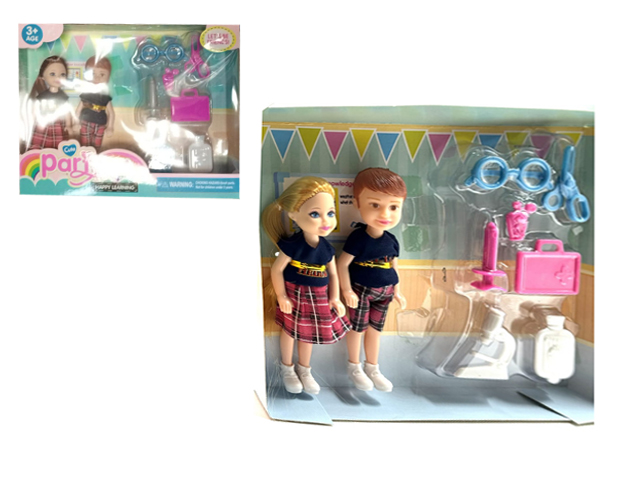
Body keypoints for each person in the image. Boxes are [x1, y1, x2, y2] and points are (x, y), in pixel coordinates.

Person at [262, 177, 349, 395]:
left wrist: (335, 298)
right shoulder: (293, 245)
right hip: (295, 294)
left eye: (330, 213)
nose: (326, 220)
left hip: (319, 296)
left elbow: (333, 273)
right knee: (290, 331)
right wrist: (281, 296)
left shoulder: (327, 249)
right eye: (315, 214)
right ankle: (287, 368)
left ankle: (305, 369)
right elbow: (277, 270)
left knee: (307, 333)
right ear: (293, 214)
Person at [338, 168, 407, 392]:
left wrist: (398, 291)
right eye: (375, 205)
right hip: (361, 291)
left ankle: (373, 367)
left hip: (385, 291)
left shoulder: (392, 239)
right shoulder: (359, 238)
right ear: (357, 203)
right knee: (357, 328)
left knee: (375, 330)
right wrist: (346, 290)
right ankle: (354, 366)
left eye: (394, 207)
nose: (385, 213)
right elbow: (342, 264)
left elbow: (393, 264)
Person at [28, 56, 73, 150]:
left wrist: (68, 125)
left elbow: (67, 111)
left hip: (58, 124)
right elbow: (36, 109)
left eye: (62, 74)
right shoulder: (42, 95)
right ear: (42, 76)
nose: (58, 77)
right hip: (43, 123)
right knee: (39, 145)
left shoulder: (63, 96)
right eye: (52, 74)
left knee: (58, 145)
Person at [76, 56, 114, 149]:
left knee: (97, 145)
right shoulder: (86, 94)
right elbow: (78, 109)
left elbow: (111, 113)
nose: (97, 78)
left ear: (108, 77)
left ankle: (95, 156)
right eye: (93, 74)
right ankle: (84, 156)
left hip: (101, 123)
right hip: (86, 121)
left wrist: (110, 127)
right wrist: (76, 122)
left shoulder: (105, 96)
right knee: (85, 144)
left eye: (102, 74)